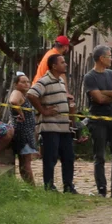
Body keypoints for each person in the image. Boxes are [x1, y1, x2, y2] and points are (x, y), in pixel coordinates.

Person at [28, 54, 77, 193]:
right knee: (50, 158)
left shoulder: (61, 81)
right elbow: (31, 94)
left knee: (68, 157)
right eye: (62, 62)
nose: (65, 64)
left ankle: (68, 185)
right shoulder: (45, 81)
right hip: (50, 126)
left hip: (64, 127)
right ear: (54, 66)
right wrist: (43, 110)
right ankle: (49, 186)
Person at [83, 46, 112, 197]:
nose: (111, 59)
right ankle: (101, 188)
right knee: (99, 156)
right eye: (109, 56)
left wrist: (111, 94)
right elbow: (99, 99)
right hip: (98, 120)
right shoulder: (90, 77)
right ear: (101, 58)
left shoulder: (111, 74)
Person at [5, 72, 37, 183]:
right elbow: (13, 101)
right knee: (26, 162)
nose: (26, 84)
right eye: (23, 82)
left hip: (27, 131)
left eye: (28, 82)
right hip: (23, 133)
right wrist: (21, 113)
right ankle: (32, 187)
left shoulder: (25, 95)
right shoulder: (17, 92)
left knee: (25, 162)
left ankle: (29, 186)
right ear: (16, 84)